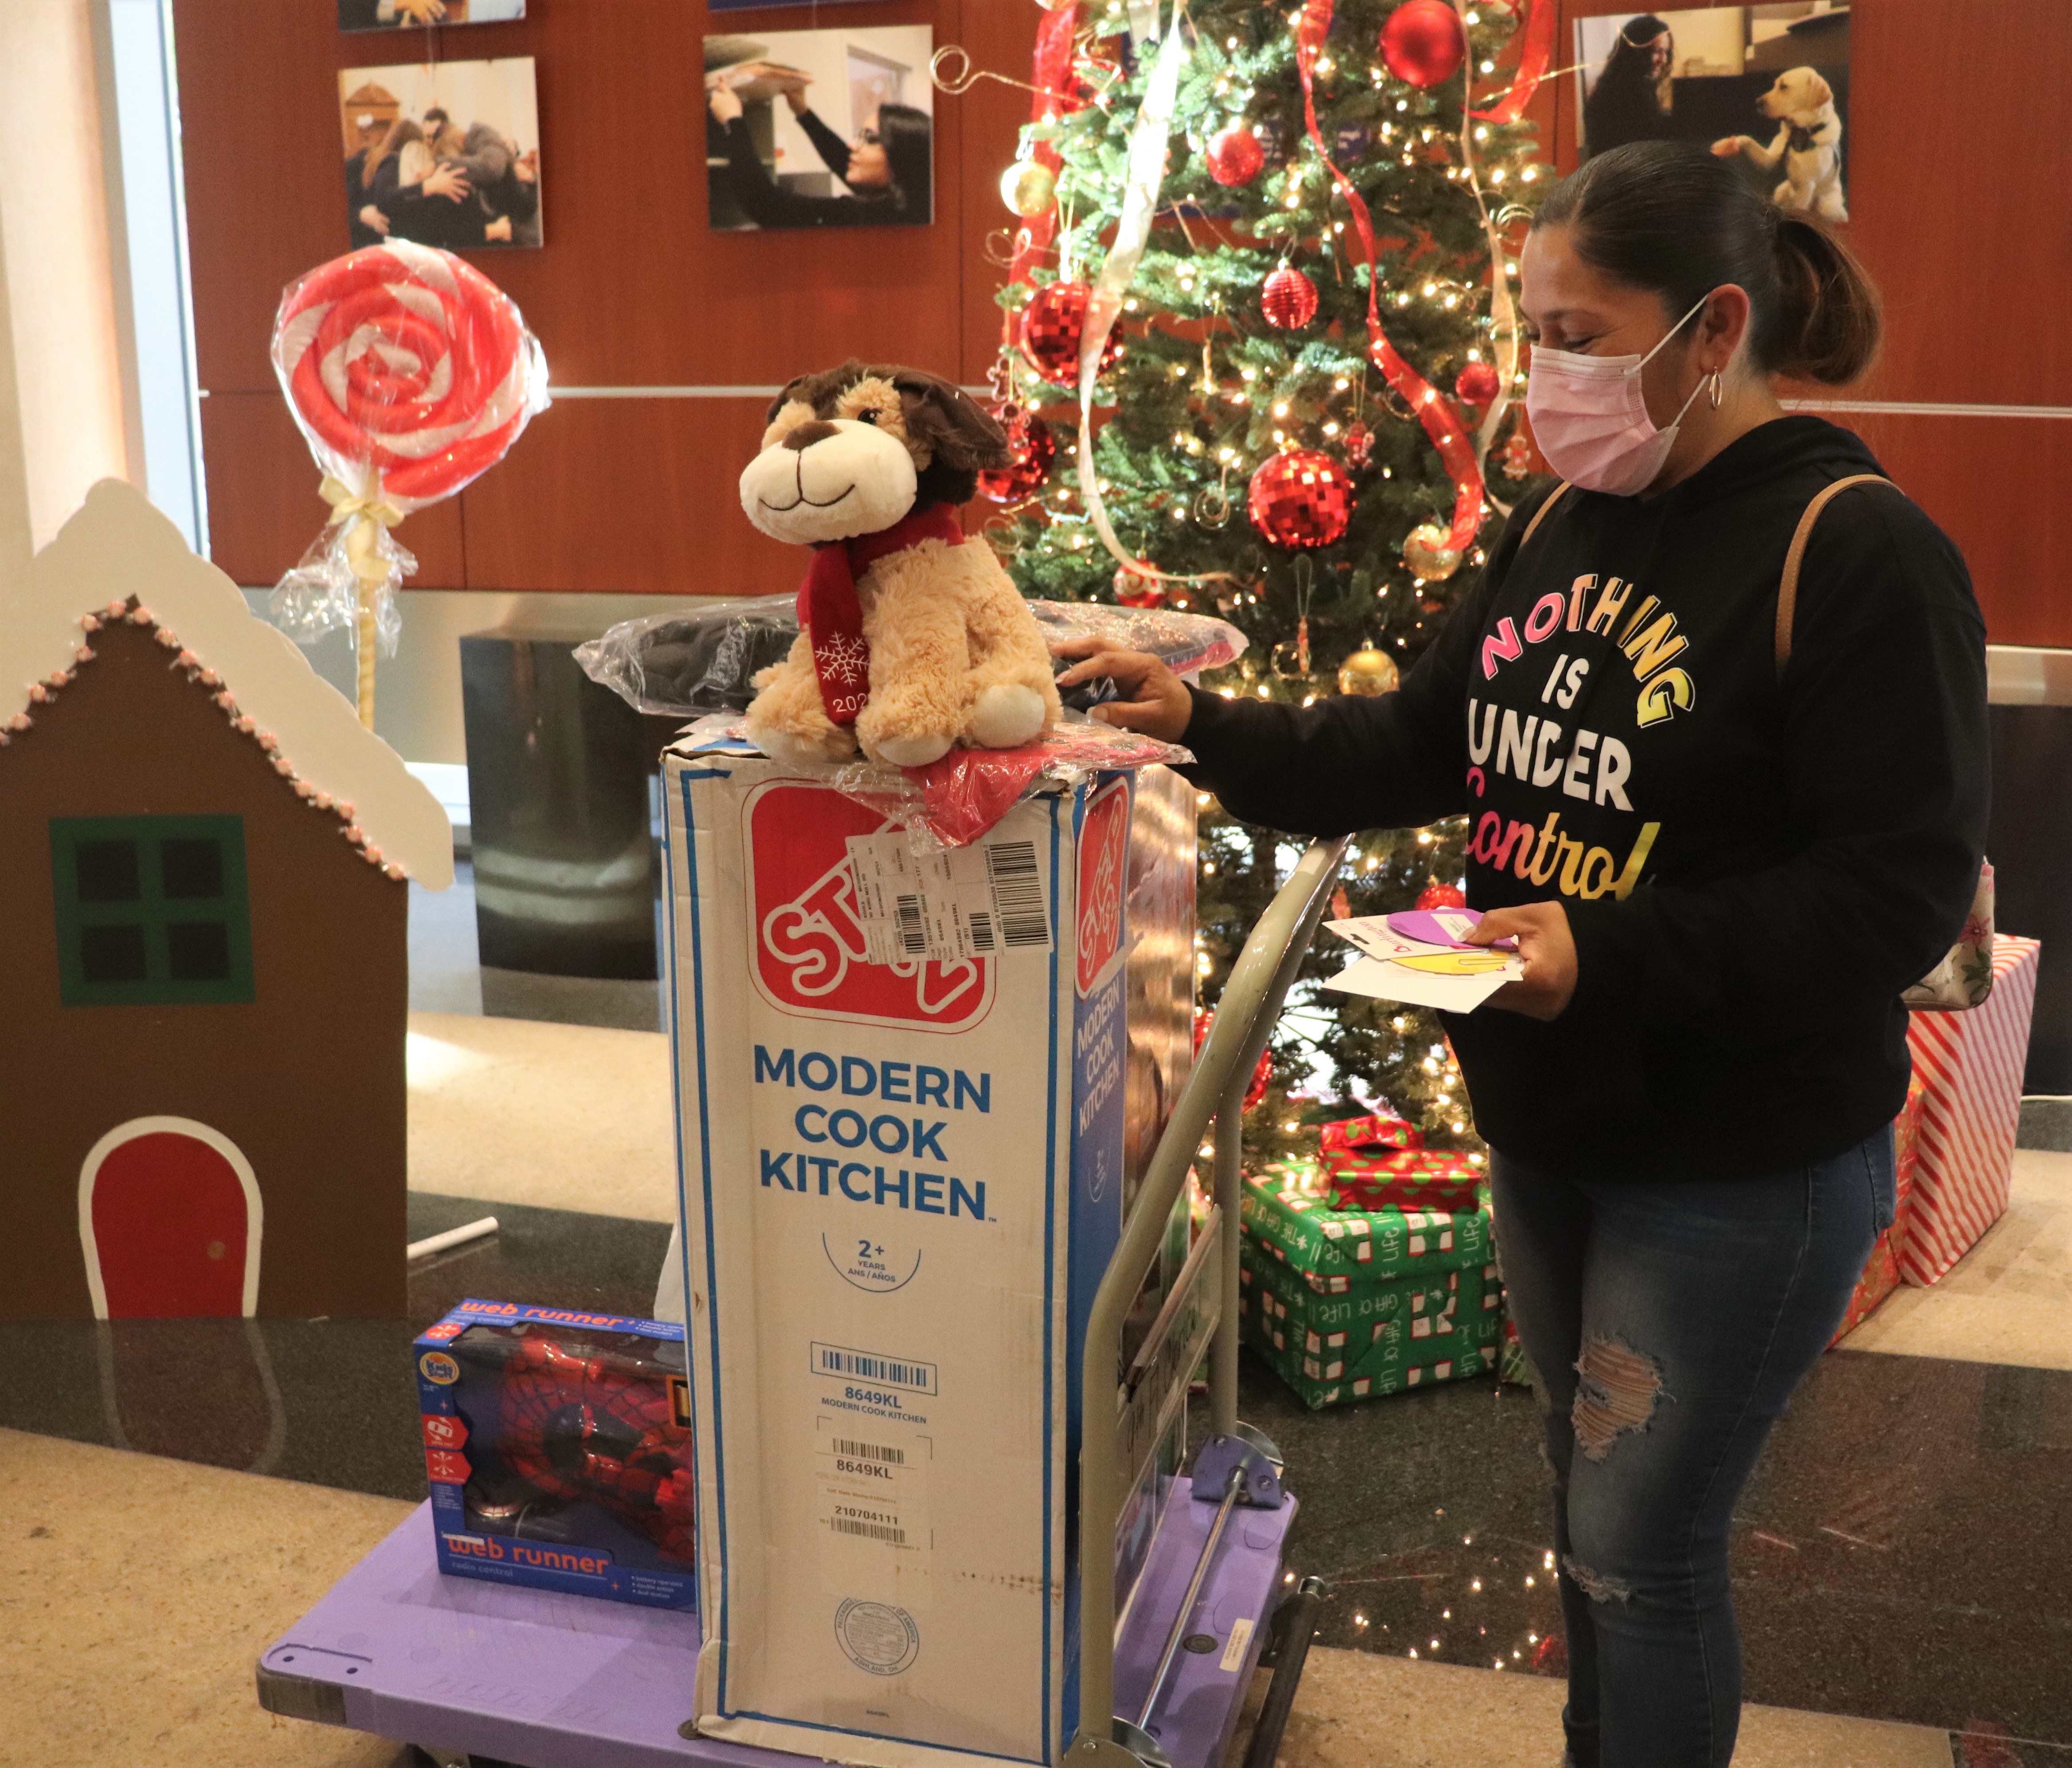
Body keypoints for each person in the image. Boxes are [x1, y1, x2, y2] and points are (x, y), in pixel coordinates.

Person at [1058, 141, 1987, 1768]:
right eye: (1532, 328)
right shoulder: (1568, 512)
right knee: (1592, 1524)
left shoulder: (1850, 552)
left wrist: (1601, 952)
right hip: (1548, 1118)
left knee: (1639, 1556)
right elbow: (1422, 739)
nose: (1540, 372)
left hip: (1733, 1161)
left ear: (1709, 331)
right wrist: (1200, 720)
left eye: (1576, 332)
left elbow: (1892, 895)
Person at [705, 78, 932, 228]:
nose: (853, 145)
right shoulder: (913, 203)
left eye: (870, 139)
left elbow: (765, 204)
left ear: (901, 157)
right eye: (859, 135)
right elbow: (845, 162)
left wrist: (732, 121)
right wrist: (804, 114)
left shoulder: (862, 217)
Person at [1583, 15, 1676, 157]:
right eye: (1657, 51)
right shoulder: (1619, 97)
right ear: (1636, 51)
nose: (1664, 60)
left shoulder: (1630, 87)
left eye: (1666, 52)